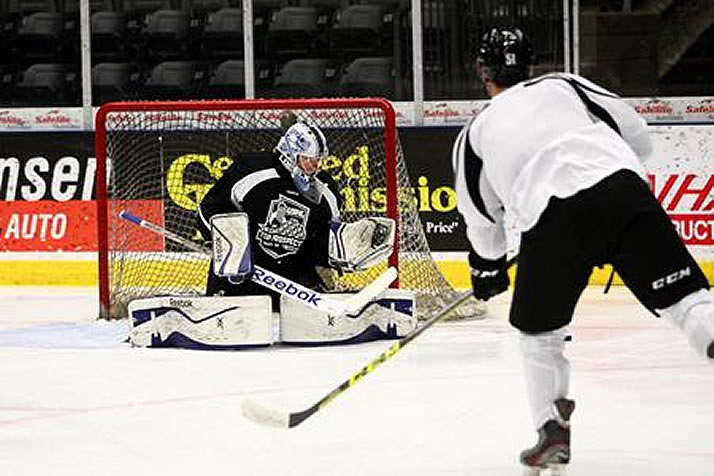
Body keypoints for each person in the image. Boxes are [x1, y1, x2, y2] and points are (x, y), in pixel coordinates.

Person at [451, 26, 714, 473]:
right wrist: (611, 171)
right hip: (621, 190)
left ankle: (551, 431)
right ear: (530, 65)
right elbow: (638, 133)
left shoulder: (474, 133)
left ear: (482, 72)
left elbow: (480, 215)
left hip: (553, 219)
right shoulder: (565, 84)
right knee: (688, 302)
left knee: (540, 335)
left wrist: (488, 267)